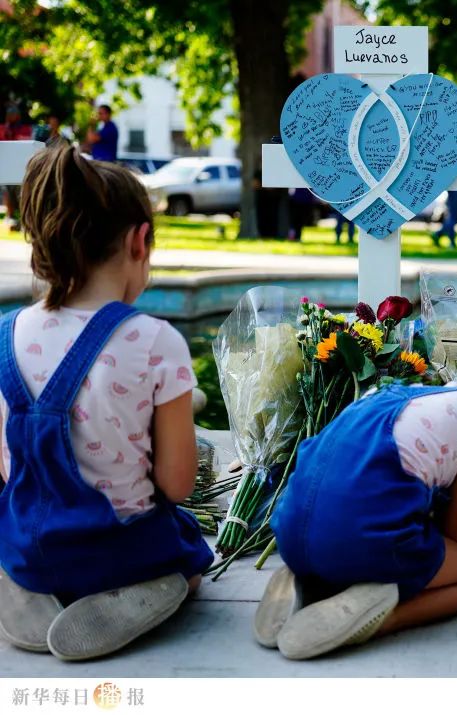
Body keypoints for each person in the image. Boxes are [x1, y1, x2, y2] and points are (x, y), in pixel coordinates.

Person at [0, 143, 213, 661]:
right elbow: (177, 484)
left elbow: (7, 469)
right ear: (140, 241)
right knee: (191, 566)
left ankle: (25, 587)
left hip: (29, 546)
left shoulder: (6, 335)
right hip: (121, 554)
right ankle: (146, 594)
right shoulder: (156, 341)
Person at [254, 383, 457, 660]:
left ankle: (309, 580)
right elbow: (456, 527)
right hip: (351, 539)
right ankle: (375, 619)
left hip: (291, 530)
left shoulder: (424, 398)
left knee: (348, 526)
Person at [2, 105, 33, 231]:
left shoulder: (25, 129)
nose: (11, 116)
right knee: (7, 193)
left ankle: (23, 219)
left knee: (21, 193)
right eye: (10, 114)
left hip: (20, 167)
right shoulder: (2, 128)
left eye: (14, 114)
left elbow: (25, 141)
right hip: (6, 166)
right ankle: (10, 218)